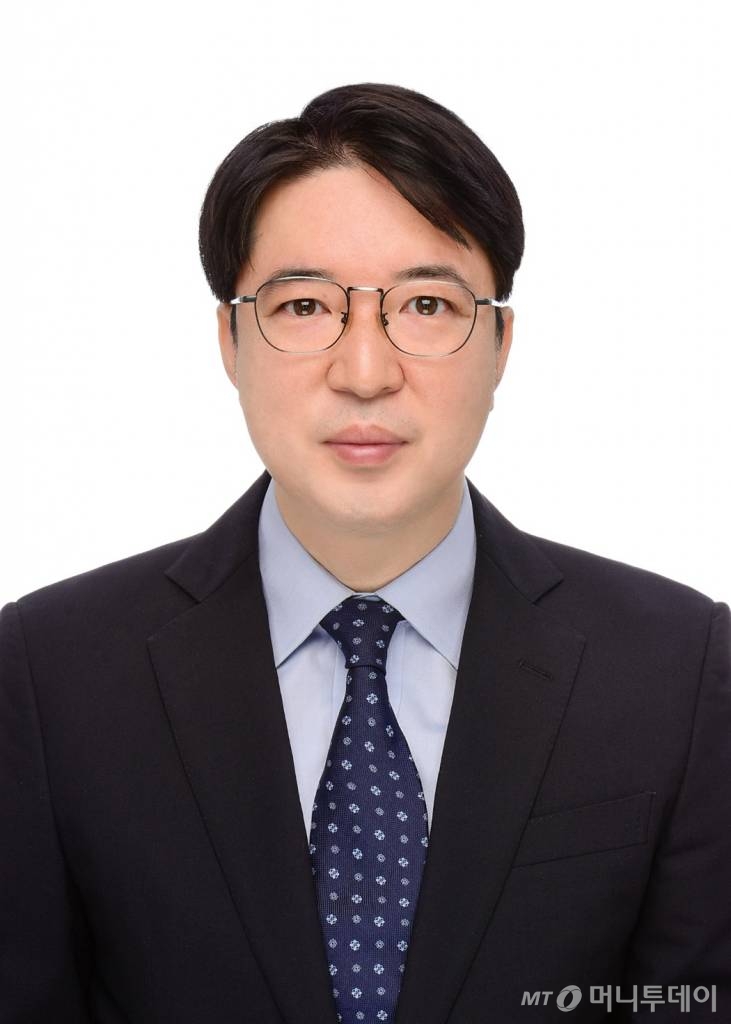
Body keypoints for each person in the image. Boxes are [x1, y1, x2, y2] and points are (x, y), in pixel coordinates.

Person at [1, 83, 729, 1024]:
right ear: (229, 339)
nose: (365, 372)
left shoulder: (677, 670)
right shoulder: (49, 673)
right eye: (305, 307)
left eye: (425, 304)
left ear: (500, 342)